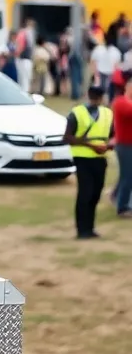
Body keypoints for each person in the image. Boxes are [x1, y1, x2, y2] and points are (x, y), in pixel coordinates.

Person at [64, 85, 115, 240]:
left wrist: (108, 145)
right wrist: (90, 145)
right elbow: (67, 137)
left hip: (100, 158)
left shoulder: (107, 114)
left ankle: (90, 227)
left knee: (96, 193)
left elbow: (113, 135)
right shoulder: (77, 113)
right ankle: (82, 230)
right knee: (85, 193)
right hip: (82, 158)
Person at [112, 77, 132, 218]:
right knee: (128, 177)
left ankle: (116, 196)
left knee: (125, 175)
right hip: (125, 145)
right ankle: (122, 207)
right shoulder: (121, 102)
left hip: (128, 144)